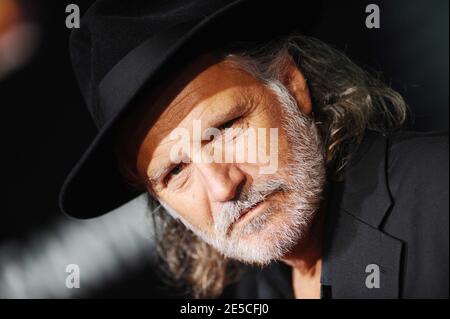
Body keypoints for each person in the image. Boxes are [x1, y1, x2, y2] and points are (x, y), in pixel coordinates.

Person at [60, 0, 449, 298]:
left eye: (226, 128)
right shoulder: (255, 290)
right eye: (175, 172)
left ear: (292, 84)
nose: (221, 187)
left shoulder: (439, 194)